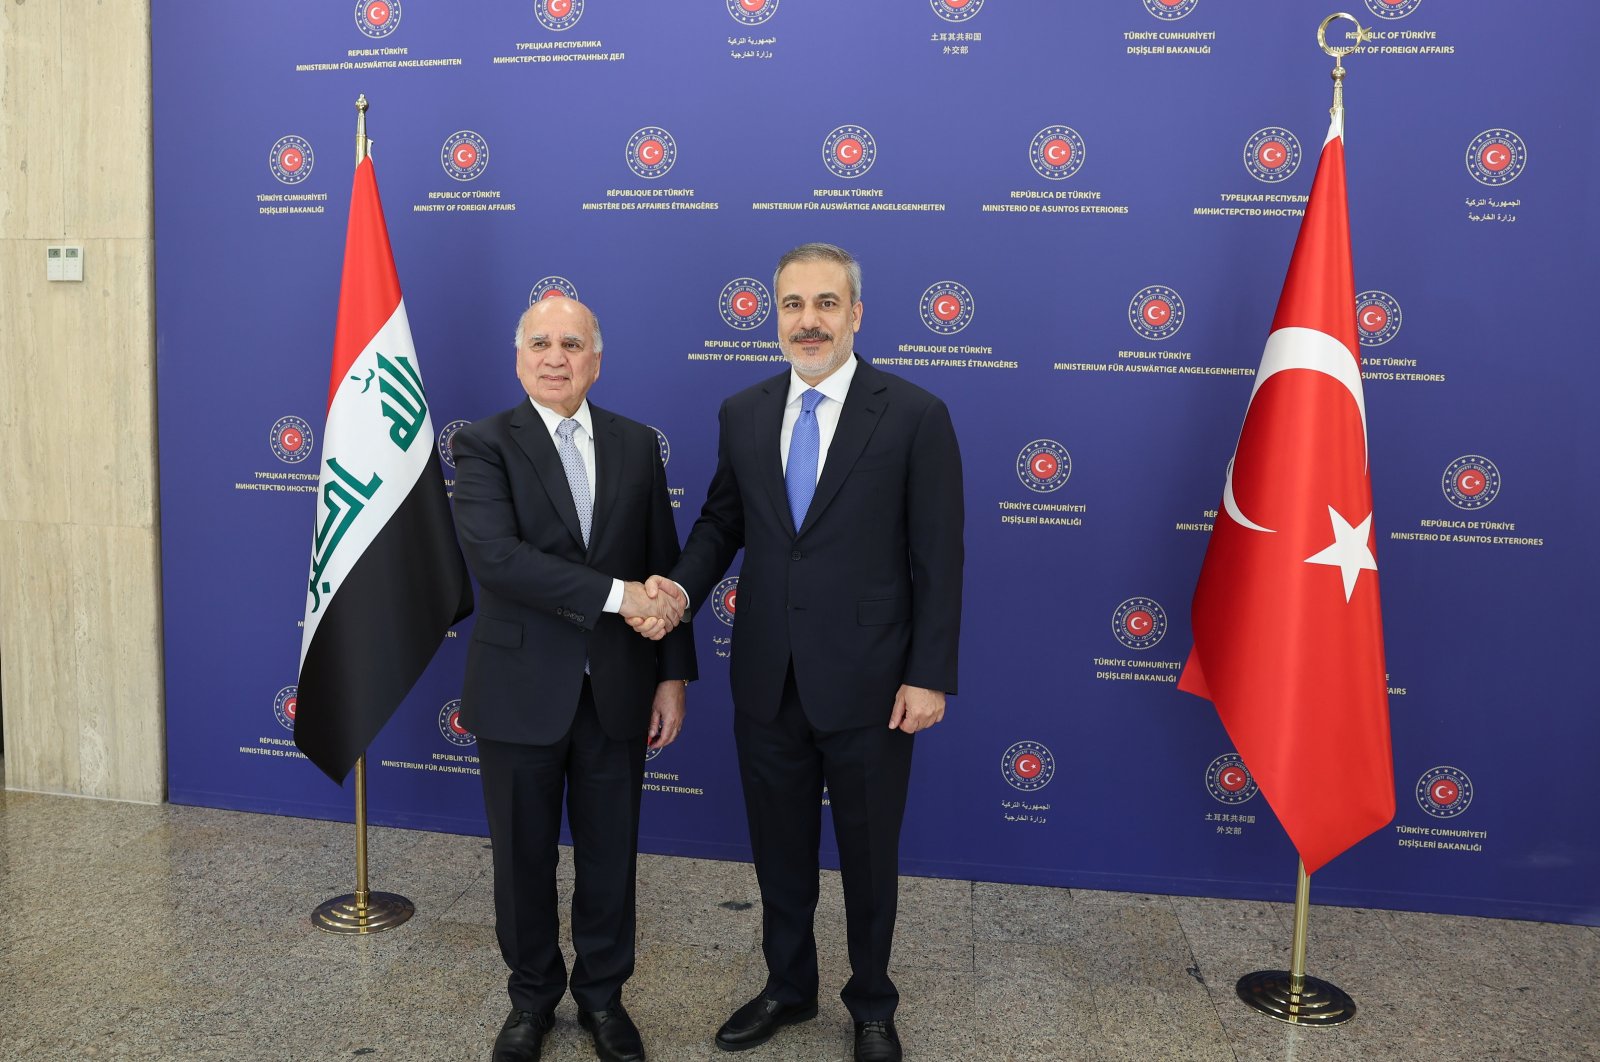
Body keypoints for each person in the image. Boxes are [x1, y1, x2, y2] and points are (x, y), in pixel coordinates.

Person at [638, 242, 963, 1062]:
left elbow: (939, 557)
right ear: (773, 315)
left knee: (867, 856)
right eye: (792, 305)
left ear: (856, 313)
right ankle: (788, 987)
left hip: (873, 682)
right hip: (768, 678)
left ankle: (873, 1006)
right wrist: (677, 592)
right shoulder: (743, 412)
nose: (808, 321)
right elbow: (721, 524)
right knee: (780, 854)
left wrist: (929, 674)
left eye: (826, 303)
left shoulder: (916, 414)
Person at [451, 296, 696, 1062]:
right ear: (518, 356)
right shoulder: (484, 445)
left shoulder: (632, 444)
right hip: (520, 691)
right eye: (541, 343)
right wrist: (623, 598)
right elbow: (498, 559)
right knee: (521, 859)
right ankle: (530, 1002)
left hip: (619, 688)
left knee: (610, 856)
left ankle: (602, 998)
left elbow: (662, 552)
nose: (556, 357)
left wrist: (673, 677)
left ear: (597, 359)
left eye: (573, 344)